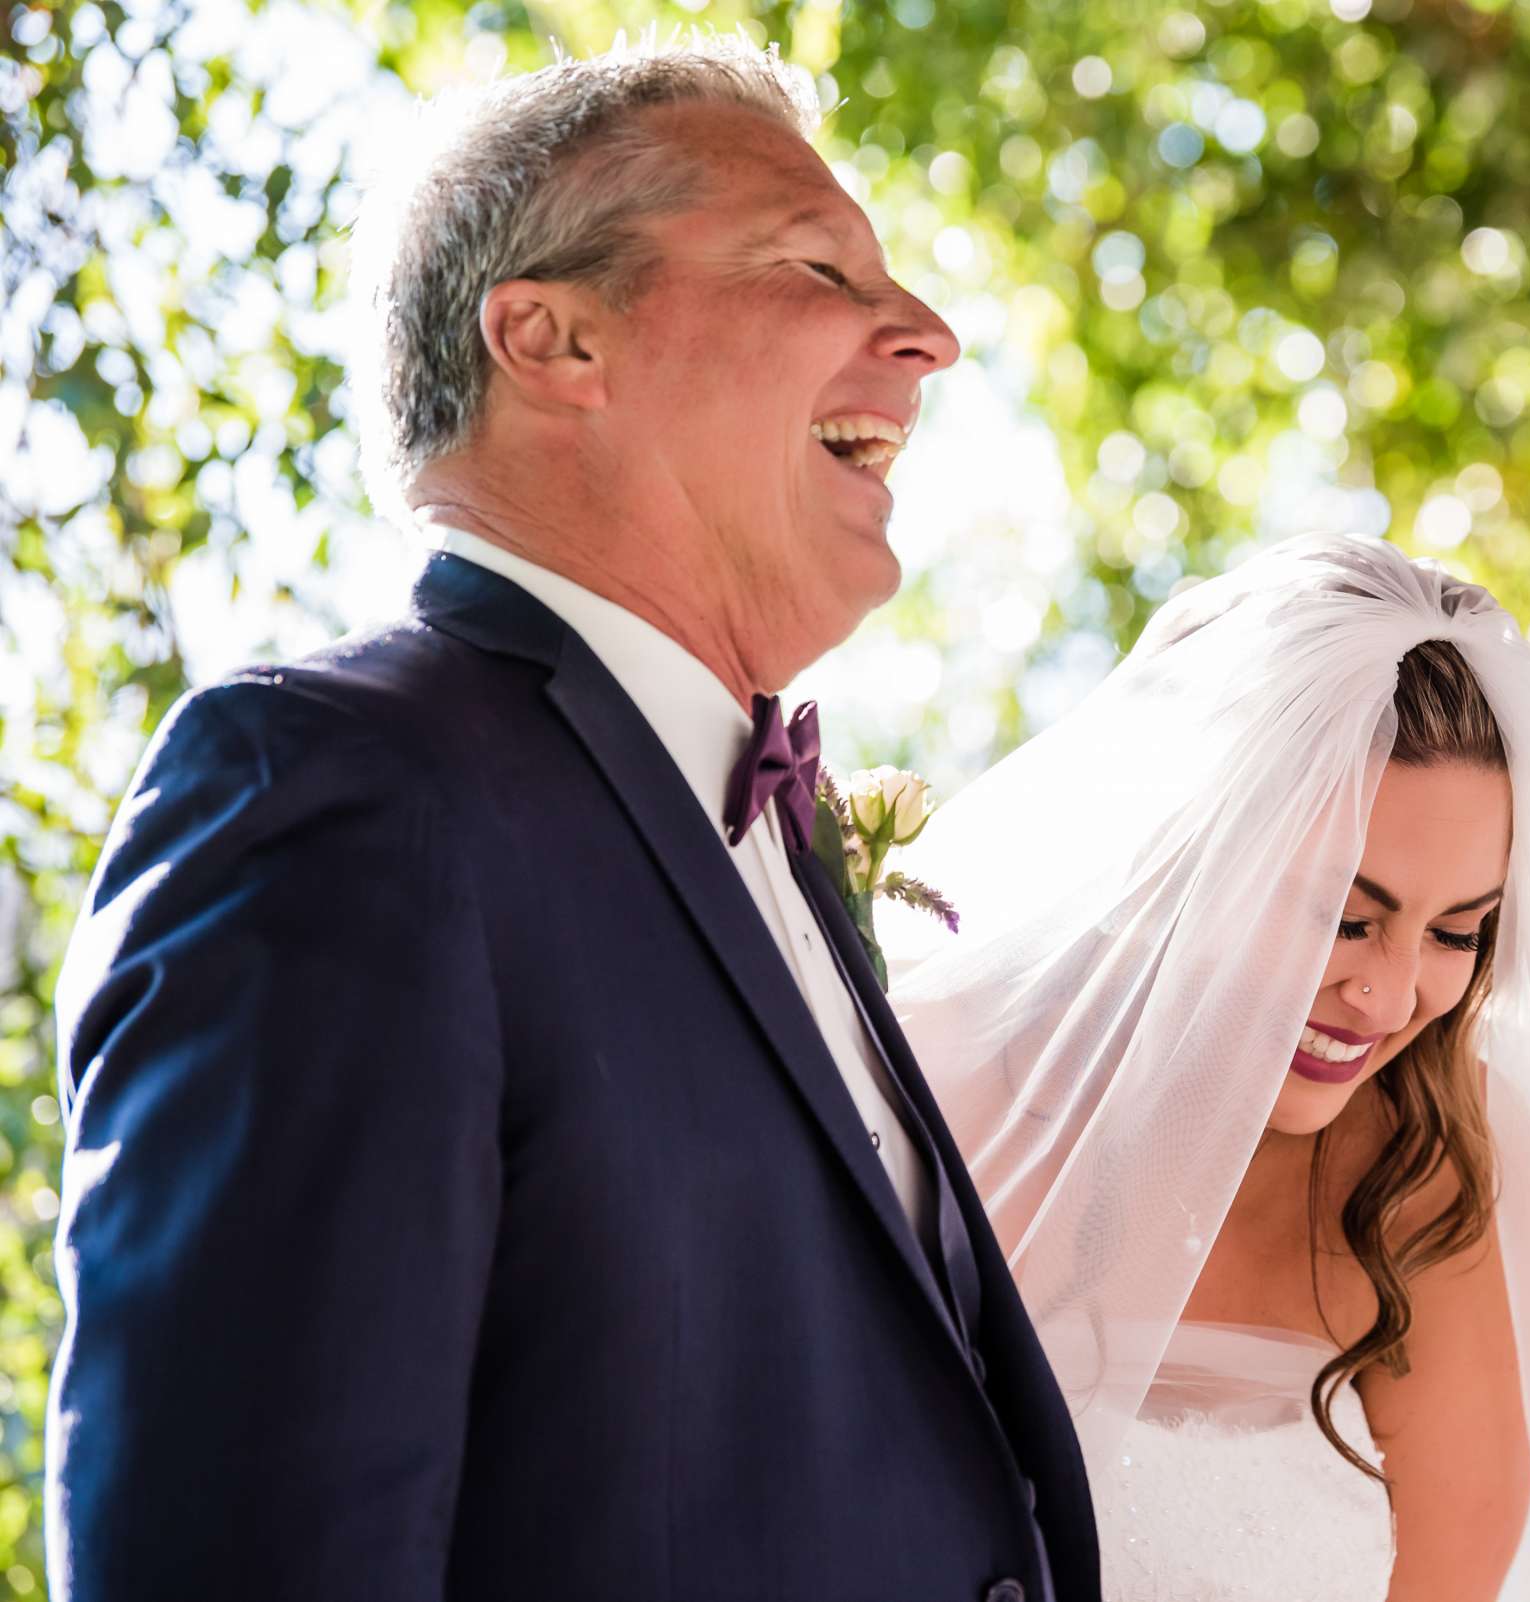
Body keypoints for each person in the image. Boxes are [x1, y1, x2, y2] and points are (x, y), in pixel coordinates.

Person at [46, 38, 1098, 1601]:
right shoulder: (340, 792)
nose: (931, 337)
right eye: (817, 262)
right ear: (553, 340)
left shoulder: (780, 860)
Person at [884, 534, 1530, 1602]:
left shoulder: (1433, 1167)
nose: (1387, 996)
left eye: (1455, 933)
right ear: (1197, 846)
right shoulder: (937, 1079)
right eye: (1345, 918)